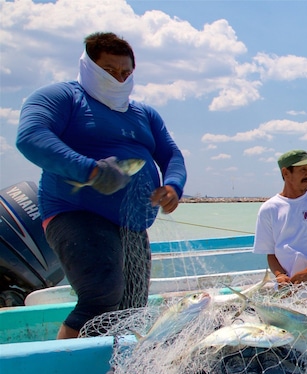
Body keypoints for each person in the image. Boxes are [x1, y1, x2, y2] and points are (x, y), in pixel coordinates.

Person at [16, 32, 187, 339]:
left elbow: (171, 154)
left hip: (133, 224)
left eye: (126, 73)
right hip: (76, 213)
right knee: (102, 295)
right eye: (110, 71)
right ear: (89, 66)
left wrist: (173, 185)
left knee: (132, 308)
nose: (119, 79)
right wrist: (90, 171)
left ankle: (114, 372)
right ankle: (62, 367)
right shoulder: (61, 97)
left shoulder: (144, 114)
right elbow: (31, 137)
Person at [253, 149, 307, 299]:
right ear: (286, 173)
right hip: (289, 293)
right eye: (303, 170)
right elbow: (271, 253)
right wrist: (280, 275)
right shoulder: (268, 209)